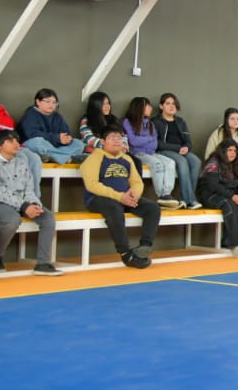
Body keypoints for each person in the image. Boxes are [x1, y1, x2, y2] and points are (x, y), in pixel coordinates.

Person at [0, 129, 63, 276]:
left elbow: (29, 188)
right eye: (10, 141)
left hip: (23, 202)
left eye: (17, 141)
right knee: (12, 219)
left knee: (47, 217)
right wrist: (24, 206)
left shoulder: (21, 162)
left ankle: (43, 263)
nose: (16, 144)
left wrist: (34, 203)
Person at [81, 124, 160, 268]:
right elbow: (92, 185)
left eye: (119, 137)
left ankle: (145, 247)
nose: (117, 141)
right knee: (114, 208)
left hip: (124, 199)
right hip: (99, 199)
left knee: (152, 208)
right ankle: (125, 254)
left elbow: (137, 182)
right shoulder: (94, 158)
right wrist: (120, 197)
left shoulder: (127, 159)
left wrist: (134, 195)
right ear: (103, 141)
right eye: (112, 138)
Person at [123, 97, 181, 209]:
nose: (150, 108)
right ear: (139, 107)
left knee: (170, 163)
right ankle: (161, 195)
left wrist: (144, 139)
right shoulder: (128, 122)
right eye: (147, 105)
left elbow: (154, 144)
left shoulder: (150, 124)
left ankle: (167, 193)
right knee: (157, 164)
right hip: (137, 153)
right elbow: (133, 141)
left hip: (151, 153)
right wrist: (148, 138)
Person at [152, 93, 202, 209]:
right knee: (182, 161)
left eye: (174, 103)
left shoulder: (180, 121)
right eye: (168, 103)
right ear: (161, 106)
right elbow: (157, 143)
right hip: (164, 151)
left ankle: (185, 199)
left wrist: (187, 148)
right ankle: (190, 200)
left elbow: (188, 141)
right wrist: (177, 149)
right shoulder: (155, 121)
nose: (171, 106)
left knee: (196, 161)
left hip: (181, 150)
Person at [18, 87, 85, 165]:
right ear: (38, 101)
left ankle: (52, 157)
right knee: (37, 142)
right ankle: (68, 158)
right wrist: (56, 138)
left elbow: (65, 132)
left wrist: (67, 139)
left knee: (78, 143)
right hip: (35, 145)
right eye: (48, 101)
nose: (51, 105)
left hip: (53, 147)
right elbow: (32, 135)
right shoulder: (30, 114)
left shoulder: (57, 116)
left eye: (54, 102)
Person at [205, 107, 238, 174]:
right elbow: (209, 154)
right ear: (226, 120)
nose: (236, 121)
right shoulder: (218, 134)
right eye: (232, 119)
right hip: (223, 173)